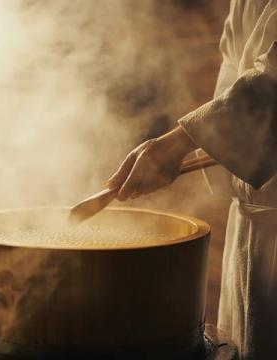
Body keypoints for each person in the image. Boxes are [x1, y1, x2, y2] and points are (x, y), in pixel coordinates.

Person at [107, 1, 277, 359]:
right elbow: (233, 75)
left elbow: (271, 85)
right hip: (248, 231)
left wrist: (177, 142)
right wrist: (197, 139)